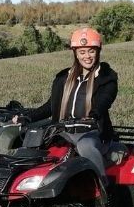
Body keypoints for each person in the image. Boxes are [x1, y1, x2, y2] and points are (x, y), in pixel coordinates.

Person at [13, 27, 118, 185]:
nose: (87, 56)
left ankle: (103, 188)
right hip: (64, 132)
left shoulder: (106, 77)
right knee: (32, 139)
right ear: (75, 53)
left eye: (91, 51)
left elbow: (106, 99)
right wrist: (27, 117)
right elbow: (50, 106)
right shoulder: (63, 78)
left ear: (98, 51)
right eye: (82, 52)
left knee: (85, 146)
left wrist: (94, 115)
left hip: (93, 133)